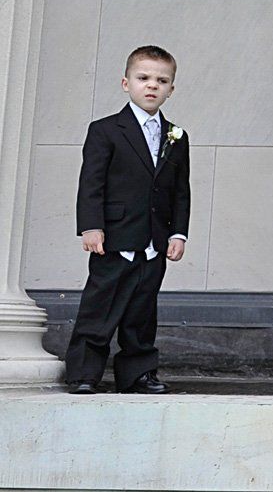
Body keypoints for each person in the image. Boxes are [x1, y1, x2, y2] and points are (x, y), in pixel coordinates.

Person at [64, 46, 192, 395]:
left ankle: (138, 374)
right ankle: (84, 373)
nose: (152, 85)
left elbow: (180, 190)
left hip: (154, 240)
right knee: (100, 306)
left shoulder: (176, 136)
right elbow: (92, 183)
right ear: (126, 83)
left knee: (142, 311)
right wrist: (91, 226)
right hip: (115, 237)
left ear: (171, 89)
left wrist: (178, 233)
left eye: (161, 80)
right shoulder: (105, 130)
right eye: (143, 78)